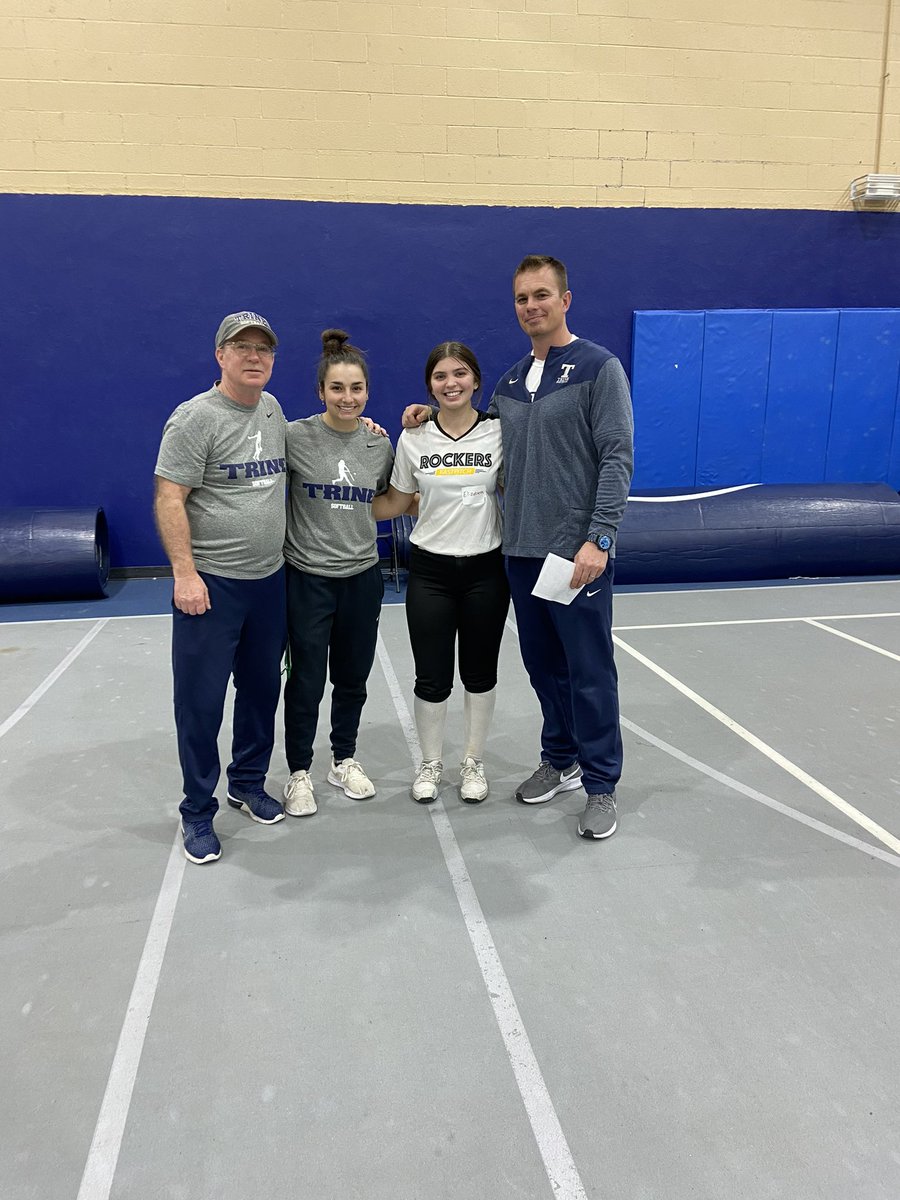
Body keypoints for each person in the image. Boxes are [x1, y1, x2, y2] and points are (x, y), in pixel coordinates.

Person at [404, 255, 634, 840]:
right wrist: (427, 413)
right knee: (543, 670)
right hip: (521, 554)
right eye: (521, 299)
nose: (531, 306)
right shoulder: (507, 382)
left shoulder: (598, 368)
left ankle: (602, 784)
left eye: (541, 295)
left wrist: (599, 537)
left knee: (589, 672)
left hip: (576, 554)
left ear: (565, 299)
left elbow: (617, 456)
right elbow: (473, 426)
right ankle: (560, 759)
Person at [154, 311, 288, 866]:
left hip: (269, 583)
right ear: (220, 356)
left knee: (261, 694)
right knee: (201, 704)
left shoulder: (275, 409)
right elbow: (169, 498)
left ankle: (248, 782)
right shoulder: (194, 419)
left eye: (264, 348)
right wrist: (185, 574)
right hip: (211, 587)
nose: (254, 357)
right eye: (242, 347)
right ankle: (197, 810)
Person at [373, 342, 508, 804]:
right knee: (431, 676)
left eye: (460, 374)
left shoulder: (499, 433)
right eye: (440, 376)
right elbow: (394, 501)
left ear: (475, 380)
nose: (451, 383)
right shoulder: (414, 438)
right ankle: (430, 763)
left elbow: (519, 486)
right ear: (429, 385)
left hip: (486, 569)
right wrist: (336, 507)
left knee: (479, 671)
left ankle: (473, 762)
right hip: (430, 570)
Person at [280, 329, 394, 817]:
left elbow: (388, 500)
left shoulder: (378, 446)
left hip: (362, 579)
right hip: (307, 578)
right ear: (320, 391)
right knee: (306, 679)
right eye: (337, 389)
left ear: (367, 392)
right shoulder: (295, 437)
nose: (347, 398)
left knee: (353, 678)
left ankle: (343, 759)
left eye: (356, 389)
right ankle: (299, 770)